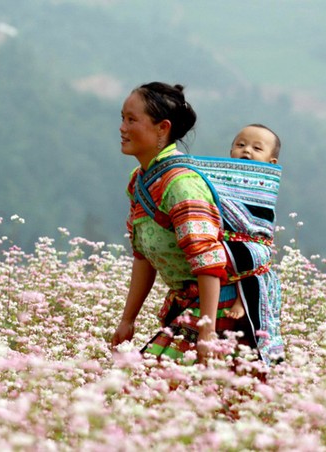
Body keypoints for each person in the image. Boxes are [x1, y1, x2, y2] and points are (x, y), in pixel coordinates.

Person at [111, 81, 247, 364]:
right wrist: (128, 320)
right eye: (122, 118)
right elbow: (143, 257)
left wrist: (206, 332)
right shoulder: (140, 182)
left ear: (163, 128)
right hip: (186, 308)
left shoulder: (182, 185)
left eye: (132, 119)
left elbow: (209, 263)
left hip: (218, 312)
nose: (122, 128)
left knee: (150, 391)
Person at [225, 123, 280, 320]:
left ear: (271, 163)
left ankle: (244, 298)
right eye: (240, 145)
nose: (246, 150)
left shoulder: (265, 191)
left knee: (253, 254)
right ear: (231, 152)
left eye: (257, 148)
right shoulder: (220, 181)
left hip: (251, 242)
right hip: (221, 241)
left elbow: (260, 226)